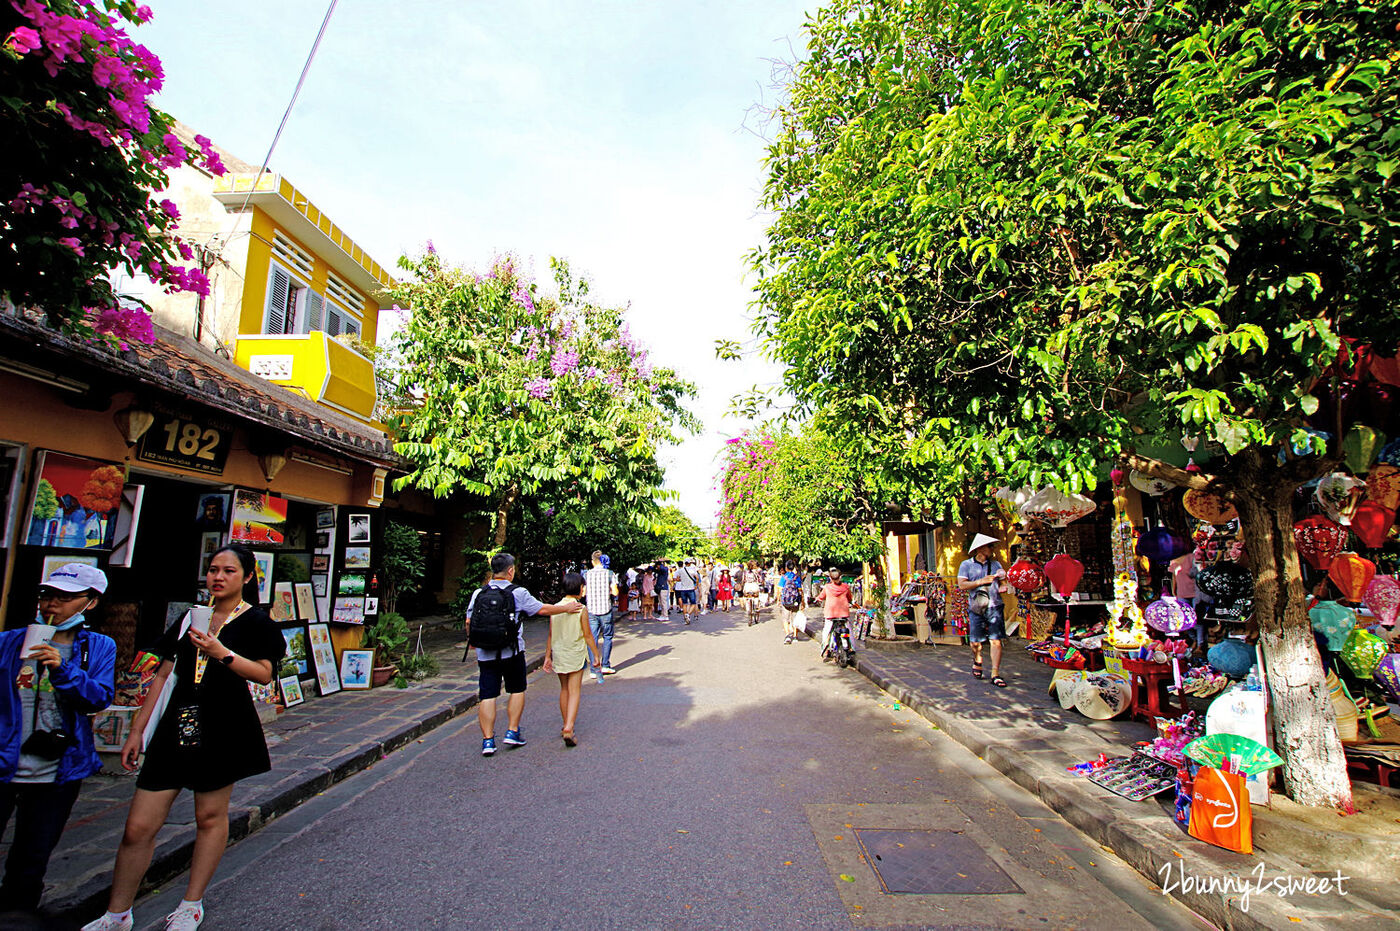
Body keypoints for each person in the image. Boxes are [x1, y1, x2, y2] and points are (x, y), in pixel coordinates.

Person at [85, 546, 284, 931]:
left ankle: (191, 905)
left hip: (223, 725)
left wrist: (220, 652)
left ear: (246, 577)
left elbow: (262, 674)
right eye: (212, 570)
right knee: (137, 827)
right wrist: (138, 731)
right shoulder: (190, 619)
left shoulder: (258, 622)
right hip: (176, 724)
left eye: (228, 571)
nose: (218, 577)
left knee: (209, 817)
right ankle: (117, 913)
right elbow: (162, 675)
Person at [0, 564, 115, 917]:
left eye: (65, 598)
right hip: (5, 762)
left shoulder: (97, 647)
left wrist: (61, 668)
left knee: (32, 855)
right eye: (47, 595)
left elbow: (98, 697)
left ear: (89, 603)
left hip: (58, 769)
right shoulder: (9, 641)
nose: (52, 605)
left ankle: (16, 914)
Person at [464, 553, 582, 756]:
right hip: (512, 651)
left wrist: (476, 642)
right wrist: (566, 608)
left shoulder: (478, 593)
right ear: (511, 571)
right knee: (516, 690)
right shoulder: (518, 592)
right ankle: (512, 731)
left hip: (486, 653)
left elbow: (468, 622)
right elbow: (542, 610)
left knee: (488, 694)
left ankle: (488, 741)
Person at [543, 572, 602, 746]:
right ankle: (569, 727)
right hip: (575, 652)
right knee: (574, 690)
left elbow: (551, 634)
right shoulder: (580, 608)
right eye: (583, 586)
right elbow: (588, 635)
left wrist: (548, 656)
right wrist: (596, 655)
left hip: (560, 652)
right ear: (578, 587)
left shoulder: (556, 607)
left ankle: (565, 725)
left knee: (564, 689)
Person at [958, 533, 1008, 688]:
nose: (992, 549)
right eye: (989, 546)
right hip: (976, 606)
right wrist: (980, 582)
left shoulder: (996, 565)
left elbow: (1002, 584)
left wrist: (1003, 587)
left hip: (994, 606)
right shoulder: (966, 565)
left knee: (996, 640)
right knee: (975, 641)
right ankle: (977, 659)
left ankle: (995, 673)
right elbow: (962, 585)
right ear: (980, 548)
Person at [584, 551, 618, 676]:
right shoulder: (609, 574)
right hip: (606, 610)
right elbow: (615, 592)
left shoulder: (587, 574)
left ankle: (594, 669)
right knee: (607, 637)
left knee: (592, 639)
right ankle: (605, 665)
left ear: (593, 561)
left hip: (591, 610)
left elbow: (583, 593)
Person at [816, 567, 853, 658]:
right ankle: (852, 648)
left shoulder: (827, 587)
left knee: (826, 631)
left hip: (830, 614)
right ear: (840, 577)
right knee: (849, 630)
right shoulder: (845, 587)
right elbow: (850, 598)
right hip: (844, 613)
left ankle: (825, 648)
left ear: (831, 578)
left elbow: (821, 597)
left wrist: (817, 599)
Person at [777, 560, 805, 645]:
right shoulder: (797, 577)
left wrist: (778, 600)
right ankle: (796, 636)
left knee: (786, 619)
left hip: (785, 601)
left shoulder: (784, 577)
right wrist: (802, 601)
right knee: (795, 617)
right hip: (795, 601)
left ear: (786, 568)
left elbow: (779, 590)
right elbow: (800, 590)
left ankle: (788, 635)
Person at [673, 558, 701, 625]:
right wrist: (696, 585)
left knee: (685, 604)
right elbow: (697, 578)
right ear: (690, 563)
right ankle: (688, 615)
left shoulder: (681, 570)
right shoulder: (692, 570)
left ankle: (686, 618)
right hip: (691, 589)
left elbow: (675, 578)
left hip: (683, 589)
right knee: (693, 603)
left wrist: (681, 580)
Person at [742, 561, 763, 626]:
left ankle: (748, 609)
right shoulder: (756, 572)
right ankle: (757, 607)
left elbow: (743, 580)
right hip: (754, 586)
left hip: (747, 586)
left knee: (747, 597)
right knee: (756, 597)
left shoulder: (745, 572)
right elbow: (760, 580)